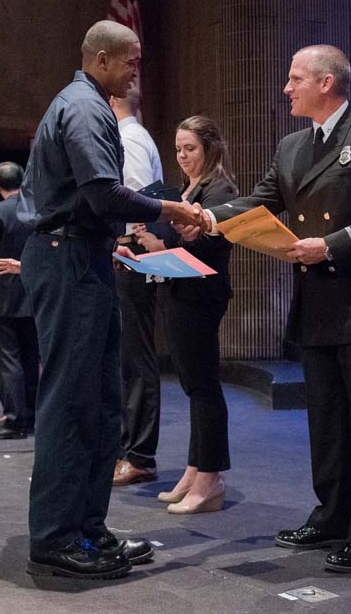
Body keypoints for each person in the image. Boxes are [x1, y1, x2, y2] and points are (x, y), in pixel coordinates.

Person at [190, 45, 351, 571]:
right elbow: (264, 199)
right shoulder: (292, 145)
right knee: (328, 421)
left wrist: (330, 245)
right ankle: (332, 513)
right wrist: (207, 216)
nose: (286, 88)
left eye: (294, 79)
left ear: (327, 83)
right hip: (316, 305)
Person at [19, 20, 204, 580]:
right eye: (131, 62)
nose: (136, 72)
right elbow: (101, 193)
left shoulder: (92, 104)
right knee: (72, 401)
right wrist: (171, 209)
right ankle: (55, 537)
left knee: (102, 404)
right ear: (101, 58)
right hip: (68, 255)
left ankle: (88, 529)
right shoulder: (82, 107)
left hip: (86, 256)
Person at [137, 116, 235, 514]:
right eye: (178, 149)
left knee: (204, 385)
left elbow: (214, 244)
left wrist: (163, 243)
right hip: (179, 289)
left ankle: (210, 477)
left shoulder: (221, 187)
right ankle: (195, 469)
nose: (182, 156)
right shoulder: (186, 188)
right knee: (193, 385)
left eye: (189, 148)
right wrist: (146, 247)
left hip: (201, 293)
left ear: (210, 147)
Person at [109, 84, 169, 487]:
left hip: (132, 254)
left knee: (136, 358)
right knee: (127, 358)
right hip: (129, 254)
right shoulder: (133, 135)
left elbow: (137, 200)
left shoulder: (129, 138)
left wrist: (122, 243)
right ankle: (128, 448)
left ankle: (139, 455)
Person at [0, 162, 39, 440]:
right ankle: (31, 414)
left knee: (7, 359)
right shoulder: (38, 210)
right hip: (33, 291)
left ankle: (14, 419)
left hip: (1, 295)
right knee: (30, 357)